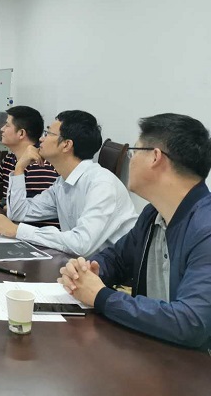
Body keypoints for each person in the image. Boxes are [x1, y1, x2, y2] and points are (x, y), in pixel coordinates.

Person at [58, 113, 211, 350]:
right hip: (154, 348)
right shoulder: (153, 214)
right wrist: (89, 272)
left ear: (155, 157)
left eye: (134, 152)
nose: (131, 160)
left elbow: (192, 322)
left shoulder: (205, 228)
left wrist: (101, 297)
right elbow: (117, 259)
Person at [0, 110, 137, 256]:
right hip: (79, 263)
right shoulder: (62, 182)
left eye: (48, 134)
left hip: (110, 268)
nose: (41, 139)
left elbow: (81, 244)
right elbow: (19, 213)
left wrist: (18, 231)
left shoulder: (102, 184)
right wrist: (19, 168)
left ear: (66, 145)